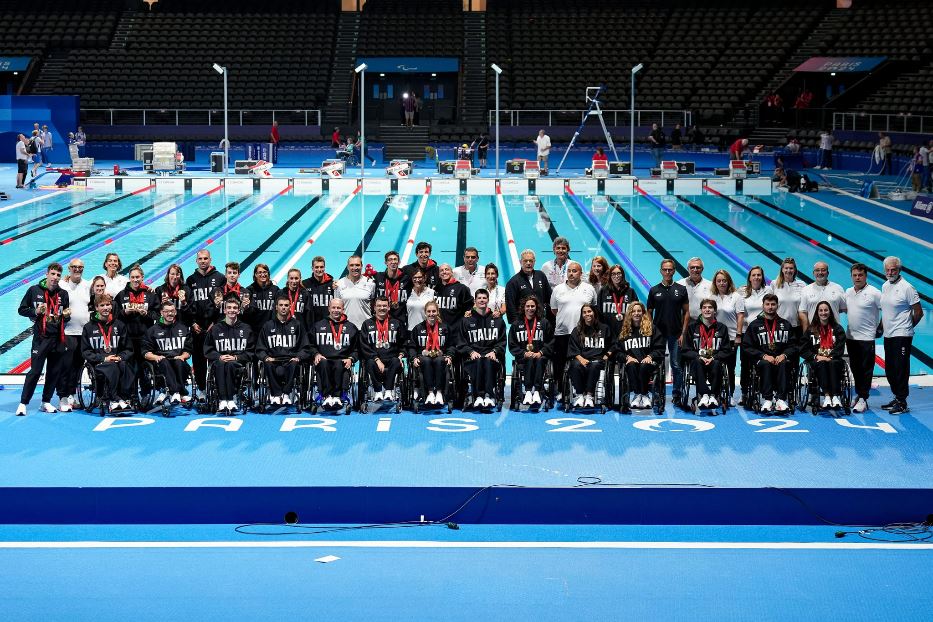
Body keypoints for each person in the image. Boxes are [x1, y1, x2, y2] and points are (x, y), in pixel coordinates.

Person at [16, 263, 71, 416]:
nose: (55, 277)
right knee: (35, 371)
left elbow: (65, 316)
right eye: (52, 274)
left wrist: (66, 316)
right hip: (41, 339)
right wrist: (35, 311)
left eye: (58, 275)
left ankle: (45, 402)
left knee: (53, 372)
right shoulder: (34, 290)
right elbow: (21, 310)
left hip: (58, 338)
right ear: (46, 274)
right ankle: (23, 403)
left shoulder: (63, 294)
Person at [880, 256, 923, 415]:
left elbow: (918, 312)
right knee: (890, 369)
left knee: (900, 368)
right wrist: (880, 327)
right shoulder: (885, 286)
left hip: (902, 335)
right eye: (888, 270)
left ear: (899, 270)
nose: (890, 272)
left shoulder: (907, 287)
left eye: (894, 270)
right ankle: (897, 397)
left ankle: (902, 401)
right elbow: (886, 311)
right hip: (889, 334)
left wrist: (907, 328)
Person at [81, 293, 135, 413]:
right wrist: (103, 358)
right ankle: (114, 399)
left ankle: (124, 398)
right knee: (112, 367)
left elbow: (128, 349)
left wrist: (120, 357)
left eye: (108, 304)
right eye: (102, 305)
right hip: (98, 363)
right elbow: (85, 351)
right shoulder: (88, 327)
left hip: (116, 360)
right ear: (96, 308)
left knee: (124, 366)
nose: (106, 308)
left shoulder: (119, 325)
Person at [743, 293, 796, 413]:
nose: (770, 307)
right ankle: (768, 399)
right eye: (767, 304)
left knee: (785, 363)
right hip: (762, 359)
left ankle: (781, 399)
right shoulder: (754, 325)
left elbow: (793, 346)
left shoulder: (785, 324)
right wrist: (763, 356)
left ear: (778, 306)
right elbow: (746, 346)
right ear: (763, 306)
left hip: (780, 358)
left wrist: (784, 355)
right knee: (765, 364)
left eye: (773, 304)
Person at [550, 261, 597, 395]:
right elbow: (554, 310)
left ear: (581, 274)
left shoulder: (589, 289)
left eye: (574, 271)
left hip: (584, 333)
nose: (571, 273)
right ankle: (560, 391)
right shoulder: (558, 289)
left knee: (582, 363)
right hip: (562, 333)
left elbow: (593, 309)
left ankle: (583, 391)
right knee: (560, 363)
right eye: (569, 271)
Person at [647, 259, 689, 403]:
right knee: (657, 364)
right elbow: (649, 313)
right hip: (658, 334)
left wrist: (683, 333)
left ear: (674, 271)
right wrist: (650, 332)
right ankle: (657, 392)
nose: (667, 272)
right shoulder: (654, 290)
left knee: (676, 365)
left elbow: (686, 313)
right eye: (665, 269)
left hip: (676, 333)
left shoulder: (681, 289)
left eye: (670, 270)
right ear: (660, 271)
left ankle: (677, 393)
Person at [204, 295, 255, 414]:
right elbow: (207, 349)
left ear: (238, 310)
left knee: (231, 365)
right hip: (220, 361)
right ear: (225, 310)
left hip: (237, 362)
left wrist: (236, 357)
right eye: (229, 308)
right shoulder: (215, 329)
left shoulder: (246, 329)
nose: (232, 310)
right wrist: (219, 356)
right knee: (222, 364)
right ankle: (223, 400)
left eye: (235, 308)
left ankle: (231, 398)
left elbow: (251, 351)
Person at [257, 294, 310, 406]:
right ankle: (276, 395)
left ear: (290, 307)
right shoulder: (267, 326)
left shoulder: (297, 325)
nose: (283, 307)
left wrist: (298, 357)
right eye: (281, 305)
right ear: (276, 307)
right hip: (273, 359)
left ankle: (286, 394)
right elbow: (260, 348)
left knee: (295, 364)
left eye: (286, 305)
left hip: (290, 360)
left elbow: (305, 347)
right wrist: (265, 357)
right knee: (267, 363)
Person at [113, 264, 158, 395]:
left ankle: (145, 394)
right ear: (129, 278)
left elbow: (157, 315)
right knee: (129, 367)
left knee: (145, 368)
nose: (135, 280)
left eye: (138, 277)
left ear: (142, 277)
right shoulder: (121, 295)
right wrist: (124, 312)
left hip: (145, 338)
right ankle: (130, 395)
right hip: (128, 338)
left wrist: (147, 314)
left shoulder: (150, 295)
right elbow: (114, 317)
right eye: (133, 277)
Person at [185, 249, 225, 394]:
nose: (203, 261)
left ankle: (219, 388)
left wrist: (216, 323)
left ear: (210, 260)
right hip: (197, 326)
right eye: (200, 259)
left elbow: (223, 304)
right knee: (198, 360)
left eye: (205, 258)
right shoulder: (190, 280)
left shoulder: (220, 278)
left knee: (215, 357)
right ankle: (202, 390)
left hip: (214, 326)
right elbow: (188, 305)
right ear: (196, 261)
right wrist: (192, 323)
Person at [459, 289, 506, 408]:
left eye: (484, 298)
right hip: (473, 357)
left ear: (488, 300)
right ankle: (479, 396)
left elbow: (502, 341)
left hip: (492, 356)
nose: (482, 300)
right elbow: (461, 343)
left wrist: (495, 351)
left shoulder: (497, 320)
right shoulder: (466, 320)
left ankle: (488, 396)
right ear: (475, 301)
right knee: (479, 360)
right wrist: (470, 351)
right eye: (479, 298)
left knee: (487, 360)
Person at [681, 299, 732, 408]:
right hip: (698, 361)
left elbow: (727, 350)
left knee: (718, 363)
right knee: (697, 361)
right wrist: (698, 356)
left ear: (715, 311)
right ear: (701, 310)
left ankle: (713, 395)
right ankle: (704, 395)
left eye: (710, 307)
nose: (707, 310)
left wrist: (714, 357)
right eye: (704, 307)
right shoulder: (692, 327)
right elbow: (685, 350)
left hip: (715, 361)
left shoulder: (722, 328)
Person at [844, 263, 881, 413]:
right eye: (855, 275)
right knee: (855, 368)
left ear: (866, 276)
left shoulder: (874, 293)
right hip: (851, 336)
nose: (857, 277)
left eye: (860, 275)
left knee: (866, 369)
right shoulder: (848, 292)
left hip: (867, 338)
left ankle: (863, 398)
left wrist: (881, 327)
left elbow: (887, 309)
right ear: (851, 276)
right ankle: (859, 394)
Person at [310, 298, 359, 408]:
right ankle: (327, 396)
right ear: (329, 308)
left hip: (342, 360)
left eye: (338, 308)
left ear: (343, 309)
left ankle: (337, 397)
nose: (336, 310)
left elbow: (357, 349)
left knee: (339, 364)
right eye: (333, 307)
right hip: (324, 359)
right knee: (323, 363)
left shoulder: (351, 327)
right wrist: (316, 354)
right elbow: (310, 345)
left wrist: (351, 358)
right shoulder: (318, 326)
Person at [142, 300, 194, 405]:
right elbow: (146, 352)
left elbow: (188, 351)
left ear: (175, 312)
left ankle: (175, 393)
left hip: (178, 360)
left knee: (179, 362)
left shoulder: (183, 329)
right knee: (164, 361)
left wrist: (182, 356)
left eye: (172, 311)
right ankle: (178, 392)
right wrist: (156, 357)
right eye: (166, 311)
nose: (170, 313)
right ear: (161, 312)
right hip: (160, 362)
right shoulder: (152, 330)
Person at [58, 259, 91, 411]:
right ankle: (63, 397)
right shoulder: (62, 285)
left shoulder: (87, 285)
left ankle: (73, 394)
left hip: (83, 333)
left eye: (80, 267)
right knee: (66, 366)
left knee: (78, 366)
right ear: (69, 269)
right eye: (74, 267)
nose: (77, 269)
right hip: (67, 332)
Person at [508, 295, 553, 407]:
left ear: (536, 308)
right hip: (524, 358)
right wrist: (523, 353)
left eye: (532, 306)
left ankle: (537, 391)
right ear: (523, 308)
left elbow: (551, 341)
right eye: (527, 306)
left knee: (539, 359)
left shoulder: (544, 323)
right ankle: (528, 391)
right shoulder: (516, 325)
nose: (530, 308)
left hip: (540, 357)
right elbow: (512, 344)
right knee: (528, 358)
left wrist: (541, 352)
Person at [618, 301, 664, 409]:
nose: (636, 313)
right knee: (632, 365)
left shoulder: (652, 329)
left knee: (644, 365)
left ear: (643, 313)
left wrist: (650, 356)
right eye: (633, 311)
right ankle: (637, 395)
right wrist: (627, 357)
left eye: (639, 311)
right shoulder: (624, 331)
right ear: (630, 313)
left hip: (649, 362)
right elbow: (617, 351)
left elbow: (660, 347)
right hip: (632, 363)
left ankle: (645, 394)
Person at [359, 297, 407, 401]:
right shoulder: (367, 324)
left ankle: (389, 391)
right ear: (374, 308)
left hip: (392, 359)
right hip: (374, 359)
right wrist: (377, 359)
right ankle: (378, 392)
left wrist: (400, 355)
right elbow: (364, 345)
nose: (382, 308)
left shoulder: (396, 323)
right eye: (379, 306)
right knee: (369, 362)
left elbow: (403, 343)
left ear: (389, 307)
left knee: (395, 361)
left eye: (384, 306)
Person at [801, 301, 847, 410]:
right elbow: (803, 349)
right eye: (820, 310)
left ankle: (835, 396)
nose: (823, 313)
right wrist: (816, 357)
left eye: (826, 310)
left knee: (832, 363)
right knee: (821, 364)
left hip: (833, 359)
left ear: (830, 312)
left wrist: (830, 357)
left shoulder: (838, 329)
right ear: (817, 313)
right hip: (817, 360)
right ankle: (827, 396)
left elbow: (840, 347)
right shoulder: (811, 330)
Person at [567, 303, 613, 409]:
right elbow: (573, 349)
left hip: (598, 360)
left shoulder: (604, 328)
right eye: (584, 312)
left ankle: (589, 395)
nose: (587, 314)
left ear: (594, 313)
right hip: (582, 359)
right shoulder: (577, 330)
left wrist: (607, 354)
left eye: (589, 311)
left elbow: (613, 344)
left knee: (594, 365)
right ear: (582, 315)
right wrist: (581, 359)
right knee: (575, 365)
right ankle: (579, 395)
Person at [408, 300, 454, 406]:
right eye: (429, 311)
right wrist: (414, 358)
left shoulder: (445, 328)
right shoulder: (418, 328)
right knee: (426, 360)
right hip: (423, 358)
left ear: (437, 312)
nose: (431, 314)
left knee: (438, 360)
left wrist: (449, 356)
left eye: (434, 311)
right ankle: (429, 393)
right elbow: (411, 347)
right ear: (425, 313)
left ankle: (438, 393)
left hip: (440, 357)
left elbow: (451, 345)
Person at [709, 269, 745, 403]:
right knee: (716, 365)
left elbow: (740, 316)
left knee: (730, 367)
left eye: (724, 280)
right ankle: (716, 393)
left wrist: (738, 335)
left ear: (729, 281)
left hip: (730, 337)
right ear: (715, 282)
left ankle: (729, 395)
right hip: (715, 337)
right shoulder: (712, 297)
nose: (722, 283)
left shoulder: (736, 296)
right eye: (719, 281)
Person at [739, 266, 771, 406]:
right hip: (747, 333)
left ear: (762, 277)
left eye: (759, 275)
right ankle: (744, 392)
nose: (756, 277)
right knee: (745, 364)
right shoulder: (742, 291)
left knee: (763, 363)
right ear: (749, 277)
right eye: (754, 275)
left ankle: (764, 391)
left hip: (764, 332)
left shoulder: (768, 290)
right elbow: (738, 312)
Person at [505, 249, 552, 323]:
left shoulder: (541, 276)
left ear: (534, 262)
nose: (528, 263)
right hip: (523, 323)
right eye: (525, 261)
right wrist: (516, 325)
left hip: (541, 321)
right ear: (520, 262)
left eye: (531, 261)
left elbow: (549, 298)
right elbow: (510, 307)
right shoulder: (513, 282)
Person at [799, 261, 846, 331]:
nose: (820, 272)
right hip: (814, 332)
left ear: (828, 273)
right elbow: (802, 312)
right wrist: (806, 332)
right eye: (817, 270)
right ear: (813, 273)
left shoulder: (838, 288)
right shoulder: (806, 290)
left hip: (834, 332)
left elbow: (843, 308)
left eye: (823, 270)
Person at [598, 264, 638, 340]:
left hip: (626, 333)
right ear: (610, 276)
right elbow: (599, 313)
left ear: (622, 275)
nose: (616, 276)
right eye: (613, 274)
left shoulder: (630, 292)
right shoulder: (603, 291)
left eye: (619, 273)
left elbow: (636, 312)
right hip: (608, 333)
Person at [334, 255, 375, 329]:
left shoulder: (370, 283)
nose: (355, 268)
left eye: (357, 265)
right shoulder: (339, 284)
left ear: (362, 266)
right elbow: (337, 308)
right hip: (346, 329)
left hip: (366, 328)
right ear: (347, 267)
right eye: (352, 265)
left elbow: (373, 304)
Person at [772, 257, 806, 341]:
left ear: (794, 270)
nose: (788, 270)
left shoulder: (801, 285)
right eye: (786, 268)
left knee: (795, 353)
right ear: (782, 270)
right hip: (778, 326)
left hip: (796, 327)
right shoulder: (774, 284)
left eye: (791, 268)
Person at [374, 250, 410, 324]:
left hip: (401, 321)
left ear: (399, 262)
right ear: (386, 263)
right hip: (382, 320)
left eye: (395, 259)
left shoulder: (407, 279)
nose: (393, 262)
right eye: (390, 260)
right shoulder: (378, 277)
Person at [435, 263, 473, 332]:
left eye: (447, 269)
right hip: (439, 331)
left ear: (452, 272)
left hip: (456, 331)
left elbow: (470, 308)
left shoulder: (462, 288)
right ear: (439, 275)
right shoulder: (435, 289)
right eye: (441, 270)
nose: (444, 272)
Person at [246, 263, 279, 334]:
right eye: (260, 272)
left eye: (265, 272)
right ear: (255, 275)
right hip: (254, 331)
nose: (263, 274)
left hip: (271, 331)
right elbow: (247, 313)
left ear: (268, 274)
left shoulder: (275, 290)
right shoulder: (249, 290)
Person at [303, 256, 335, 327]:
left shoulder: (332, 284)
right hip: (311, 325)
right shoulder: (305, 284)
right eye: (316, 267)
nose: (319, 269)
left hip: (329, 325)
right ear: (312, 268)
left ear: (324, 267)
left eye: (321, 267)